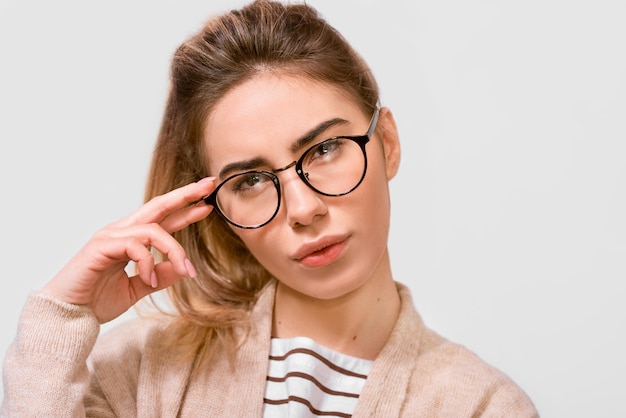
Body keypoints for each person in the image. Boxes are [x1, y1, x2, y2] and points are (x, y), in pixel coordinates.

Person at [1, 0, 538, 416]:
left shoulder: (483, 405)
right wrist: (60, 315)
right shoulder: (140, 369)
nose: (303, 209)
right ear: (213, 205)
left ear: (387, 143)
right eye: (252, 180)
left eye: (325, 149)